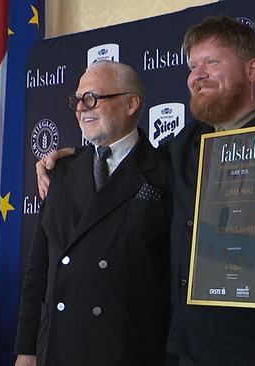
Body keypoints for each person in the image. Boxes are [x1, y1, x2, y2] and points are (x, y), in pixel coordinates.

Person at [36, 16, 255, 366]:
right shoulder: (184, 145)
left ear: (252, 70)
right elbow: (130, 165)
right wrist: (80, 158)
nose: (197, 75)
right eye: (193, 66)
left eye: (212, 62)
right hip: (194, 349)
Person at [15, 61, 172, 366]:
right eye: (77, 100)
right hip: (59, 346)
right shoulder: (58, 171)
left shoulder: (165, 171)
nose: (81, 108)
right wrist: (27, 349)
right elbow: (39, 266)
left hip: (129, 350)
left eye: (92, 98)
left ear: (131, 103)